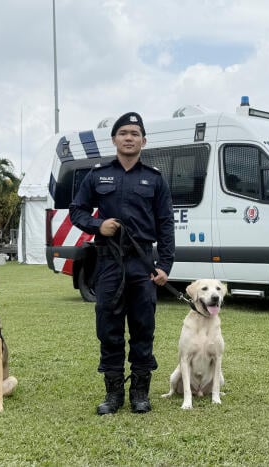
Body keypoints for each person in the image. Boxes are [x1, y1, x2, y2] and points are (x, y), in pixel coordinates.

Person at [69, 111, 175, 415]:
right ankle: (113, 393)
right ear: (114, 139)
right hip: (108, 261)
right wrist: (97, 225)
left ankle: (140, 392)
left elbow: (166, 223)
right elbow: (76, 211)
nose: (129, 138)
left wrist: (165, 265)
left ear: (144, 141)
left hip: (142, 263)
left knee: (143, 327)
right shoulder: (97, 175)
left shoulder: (154, 178)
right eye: (123, 133)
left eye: (134, 134)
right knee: (109, 328)